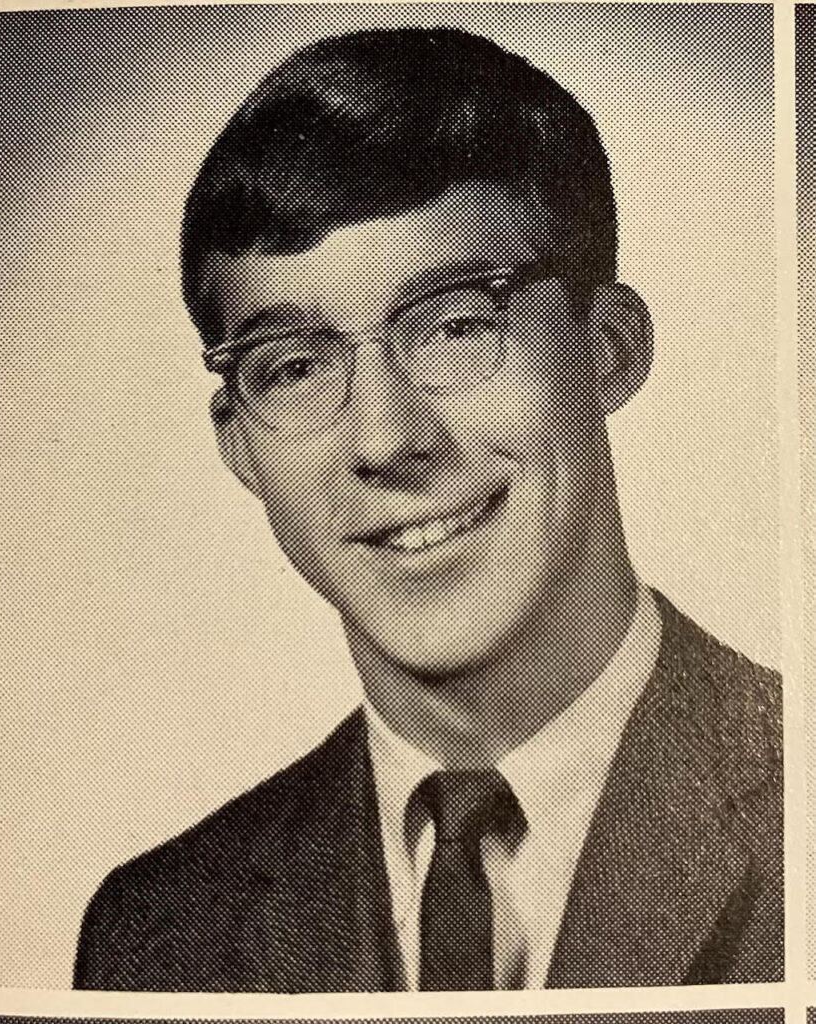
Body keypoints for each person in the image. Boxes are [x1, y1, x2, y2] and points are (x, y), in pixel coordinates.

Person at [74, 25, 782, 992]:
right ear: (239, 445)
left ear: (607, 348)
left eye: (453, 324)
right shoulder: (157, 933)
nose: (384, 439)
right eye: (292, 367)